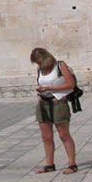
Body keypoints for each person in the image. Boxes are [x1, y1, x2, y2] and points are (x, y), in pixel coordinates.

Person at [30, 47, 78, 175]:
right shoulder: (40, 69)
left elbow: (70, 84)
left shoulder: (60, 65)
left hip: (58, 103)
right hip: (43, 103)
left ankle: (72, 164)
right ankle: (49, 164)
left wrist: (50, 87)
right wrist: (41, 90)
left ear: (45, 57)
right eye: (37, 63)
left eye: (39, 61)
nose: (39, 65)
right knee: (46, 136)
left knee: (63, 135)